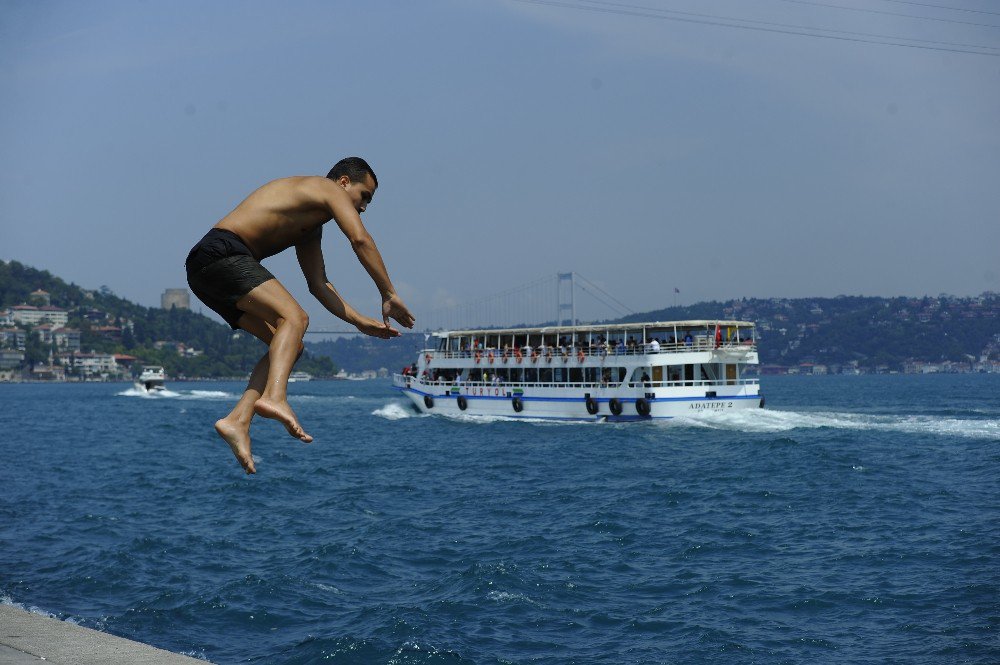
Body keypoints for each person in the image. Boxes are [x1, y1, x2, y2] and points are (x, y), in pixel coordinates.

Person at [185, 157, 415, 474]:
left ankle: (237, 420)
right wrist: (388, 293)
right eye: (364, 197)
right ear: (344, 182)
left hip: (204, 272)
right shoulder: (324, 187)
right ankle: (275, 398)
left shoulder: (310, 227)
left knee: (291, 343)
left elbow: (318, 284)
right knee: (295, 319)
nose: (363, 208)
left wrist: (358, 321)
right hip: (221, 252)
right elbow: (360, 239)